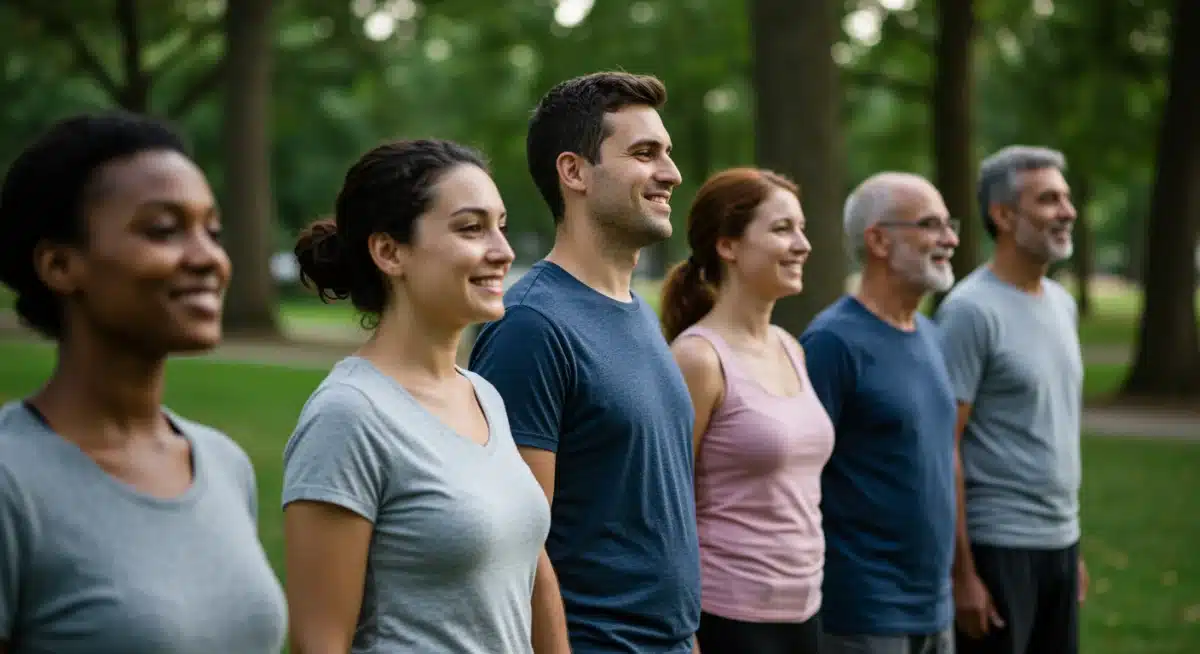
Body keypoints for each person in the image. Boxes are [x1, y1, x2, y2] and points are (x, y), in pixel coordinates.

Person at [0, 112, 287, 654]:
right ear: (61, 265)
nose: (208, 258)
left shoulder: (224, 466)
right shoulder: (11, 483)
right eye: (163, 229)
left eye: (213, 231)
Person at [281, 139, 562, 654]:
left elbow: (529, 570)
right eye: (471, 228)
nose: (502, 250)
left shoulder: (483, 395)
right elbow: (318, 643)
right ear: (389, 252)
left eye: (499, 225)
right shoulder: (347, 417)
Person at [469, 71, 700, 653]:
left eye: (666, 154)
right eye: (644, 153)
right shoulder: (530, 324)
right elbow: (516, 544)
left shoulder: (638, 313)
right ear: (573, 171)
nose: (670, 173)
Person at [660, 168, 834, 654]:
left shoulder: (790, 348)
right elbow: (667, 504)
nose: (802, 244)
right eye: (782, 229)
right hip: (730, 616)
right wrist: (682, 627)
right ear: (728, 246)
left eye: (801, 228)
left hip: (805, 609)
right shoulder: (698, 359)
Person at [800, 172, 961, 654]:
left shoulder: (931, 335)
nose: (950, 238)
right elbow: (800, 479)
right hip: (862, 615)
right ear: (879, 241)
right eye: (930, 225)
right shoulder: (832, 343)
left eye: (948, 224)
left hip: (936, 611)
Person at [935, 146, 1086, 654]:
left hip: (1059, 542)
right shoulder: (970, 311)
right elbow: (943, 446)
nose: (1067, 210)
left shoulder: (1062, 304)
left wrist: (1071, 547)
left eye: (1065, 197)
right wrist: (963, 575)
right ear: (1003, 215)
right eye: (1048, 199)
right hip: (996, 547)